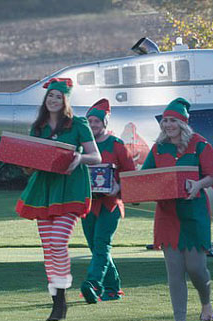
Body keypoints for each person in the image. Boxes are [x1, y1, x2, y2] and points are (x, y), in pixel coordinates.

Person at [15, 78, 101, 321]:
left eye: (58, 97)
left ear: (65, 101)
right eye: (50, 96)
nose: (53, 100)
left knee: (57, 241)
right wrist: (25, 163)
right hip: (44, 190)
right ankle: (57, 301)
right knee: (48, 247)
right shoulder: (38, 127)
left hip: (70, 188)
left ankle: (61, 296)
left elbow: (95, 156)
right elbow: (32, 164)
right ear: (46, 99)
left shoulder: (78, 124)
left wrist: (78, 158)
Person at [141, 97, 213, 321]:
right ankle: (180, 318)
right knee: (174, 272)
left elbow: (212, 174)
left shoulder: (200, 144)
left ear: (183, 123)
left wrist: (198, 185)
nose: (168, 125)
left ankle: (206, 305)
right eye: (165, 121)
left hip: (194, 213)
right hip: (167, 215)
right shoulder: (157, 148)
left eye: (172, 120)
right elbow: (145, 177)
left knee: (196, 268)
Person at [80, 98, 136, 303]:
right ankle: (112, 289)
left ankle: (92, 284)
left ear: (105, 123)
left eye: (97, 121)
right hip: (87, 205)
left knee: (102, 244)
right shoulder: (82, 146)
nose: (93, 124)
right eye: (90, 121)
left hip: (110, 205)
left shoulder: (117, 145)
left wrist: (118, 187)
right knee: (96, 248)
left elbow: (131, 175)